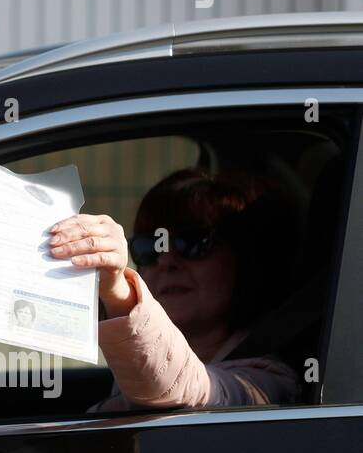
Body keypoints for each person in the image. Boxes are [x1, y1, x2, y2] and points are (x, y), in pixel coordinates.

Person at [47, 168, 302, 412]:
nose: (167, 260)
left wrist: (118, 291)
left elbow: (189, 388)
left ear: (244, 260)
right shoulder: (129, 372)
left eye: (193, 242)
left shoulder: (267, 383)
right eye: (150, 246)